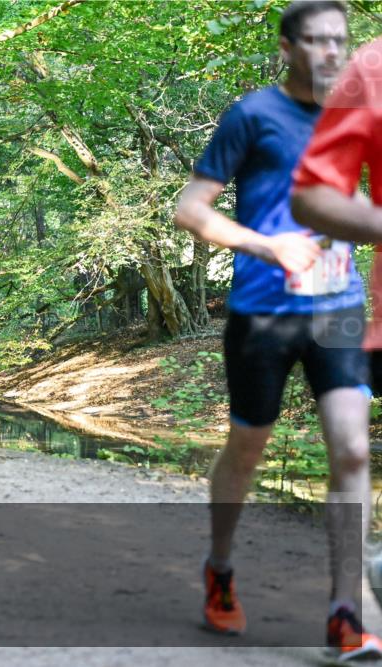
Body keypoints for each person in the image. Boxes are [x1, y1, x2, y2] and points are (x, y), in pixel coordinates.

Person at [174, 3, 379, 658]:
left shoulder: (358, 114)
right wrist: (268, 247)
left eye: (339, 42)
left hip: (338, 305)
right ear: (288, 47)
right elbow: (190, 210)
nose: (329, 53)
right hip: (261, 310)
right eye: (316, 41)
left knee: (351, 449)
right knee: (247, 447)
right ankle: (221, 567)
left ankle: (344, 611)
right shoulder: (252, 115)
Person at [291, 36, 382, 631]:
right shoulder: (373, 66)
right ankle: (348, 606)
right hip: (324, 304)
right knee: (348, 451)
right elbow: (315, 194)